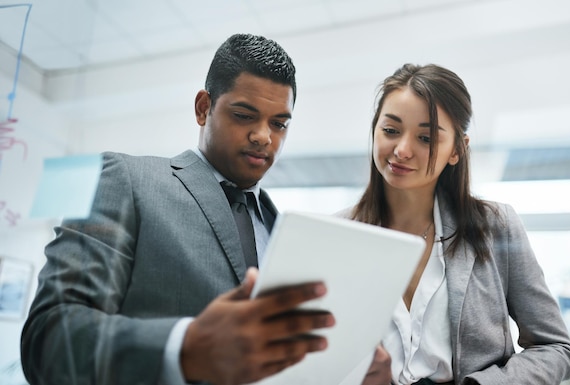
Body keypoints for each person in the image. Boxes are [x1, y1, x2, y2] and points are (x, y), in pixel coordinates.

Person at [20, 33, 390, 385]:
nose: (264, 136)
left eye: (279, 123)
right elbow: (49, 337)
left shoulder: (287, 232)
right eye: (245, 115)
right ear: (203, 108)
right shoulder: (126, 180)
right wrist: (186, 346)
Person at [344, 63, 570, 384]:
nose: (402, 150)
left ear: (457, 149)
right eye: (390, 130)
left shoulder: (496, 226)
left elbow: (555, 347)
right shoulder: (338, 234)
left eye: (426, 137)